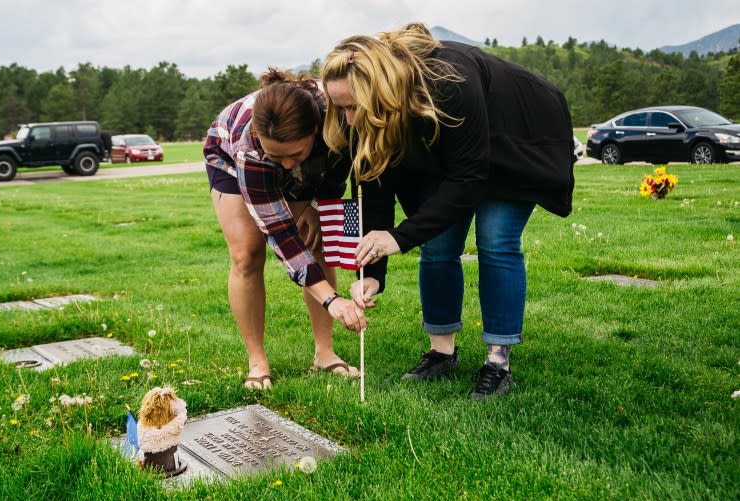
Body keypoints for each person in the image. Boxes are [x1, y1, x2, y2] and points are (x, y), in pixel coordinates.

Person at [321, 23, 575, 400]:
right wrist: (373, 272)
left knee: (496, 239)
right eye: (338, 107)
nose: (346, 118)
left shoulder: (448, 81)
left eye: (351, 106)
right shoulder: (361, 114)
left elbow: (469, 179)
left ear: (379, 90)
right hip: (449, 152)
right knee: (438, 245)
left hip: (514, 138)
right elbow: (374, 191)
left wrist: (399, 236)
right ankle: (442, 353)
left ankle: (497, 362)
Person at [204, 69, 368, 390]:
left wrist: (314, 205)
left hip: (315, 153)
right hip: (226, 155)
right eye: (278, 155)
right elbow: (280, 235)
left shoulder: (337, 116)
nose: (287, 165)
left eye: (295, 154)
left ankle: (324, 353)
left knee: (315, 240)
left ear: (314, 130)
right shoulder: (250, 149)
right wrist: (332, 300)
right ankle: (257, 360)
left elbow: (338, 172)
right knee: (247, 253)